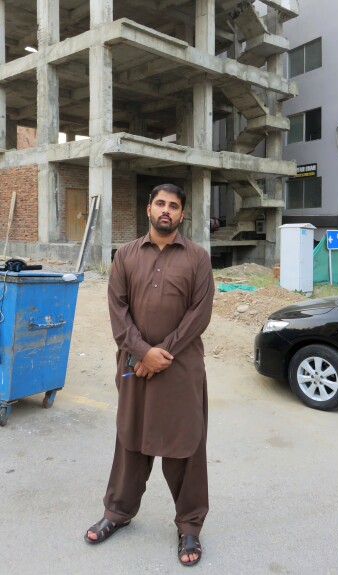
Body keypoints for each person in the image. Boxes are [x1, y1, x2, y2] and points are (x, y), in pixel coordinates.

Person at [84, 183, 214, 567]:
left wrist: (161, 354)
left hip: (180, 370)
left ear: (182, 215)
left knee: (186, 446)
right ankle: (117, 512)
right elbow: (117, 312)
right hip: (133, 368)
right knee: (130, 439)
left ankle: (189, 525)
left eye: (174, 206)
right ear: (148, 209)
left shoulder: (198, 258)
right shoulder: (125, 255)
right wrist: (142, 352)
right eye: (160, 203)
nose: (166, 210)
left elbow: (199, 315)